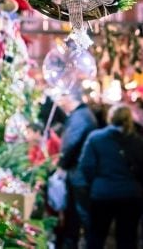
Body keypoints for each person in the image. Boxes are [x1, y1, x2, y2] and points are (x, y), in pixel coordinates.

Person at [77, 105, 143, 249]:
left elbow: (86, 166)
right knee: (127, 238)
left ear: (110, 117)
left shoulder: (95, 138)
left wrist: (95, 184)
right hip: (130, 194)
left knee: (96, 236)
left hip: (102, 194)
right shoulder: (138, 142)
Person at [55, 89, 98, 249]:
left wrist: (62, 164)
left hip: (80, 173)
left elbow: (71, 144)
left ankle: (87, 243)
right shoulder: (82, 115)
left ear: (71, 98)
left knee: (81, 212)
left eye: (63, 97)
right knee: (77, 212)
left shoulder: (80, 117)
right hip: (80, 172)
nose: (61, 102)